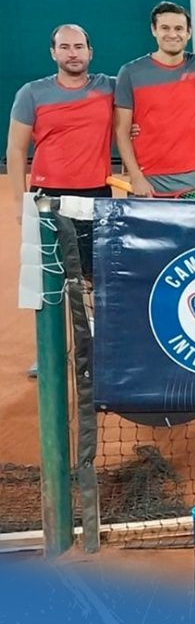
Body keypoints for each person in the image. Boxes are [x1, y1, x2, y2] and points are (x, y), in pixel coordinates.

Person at [7, 24, 114, 376]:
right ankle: (50, 352)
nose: (72, 53)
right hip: (47, 200)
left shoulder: (109, 88)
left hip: (95, 197)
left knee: (94, 280)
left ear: (90, 52)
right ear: (53, 52)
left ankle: (95, 351)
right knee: (50, 280)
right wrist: (20, 202)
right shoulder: (32, 93)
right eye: (65, 47)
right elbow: (16, 149)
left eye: (79, 47)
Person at [114, 1, 195, 197]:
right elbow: (121, 130)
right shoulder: (130, 72)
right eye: (165, 28)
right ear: (154, 30)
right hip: (148, 181)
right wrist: (136, 176)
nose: (172, 34)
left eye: (179, 28)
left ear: (189, 33)